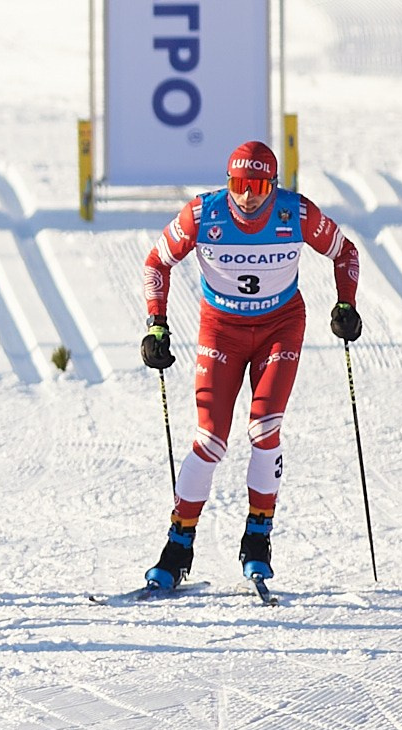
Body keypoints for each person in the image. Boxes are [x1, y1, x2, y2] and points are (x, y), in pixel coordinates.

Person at [136, 140, 362, 594]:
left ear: (272, 185)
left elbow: (346, 252)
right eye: (239, 185)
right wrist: (156, 324)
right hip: (221, 328)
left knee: (264, 428)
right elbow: (157, 262)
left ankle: (258, 537)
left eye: (258, 185)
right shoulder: (203, 215)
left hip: (280, 325)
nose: (247, 196)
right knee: (210, 439)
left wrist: (345, 305)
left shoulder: (295, 213)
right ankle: (178, 544)